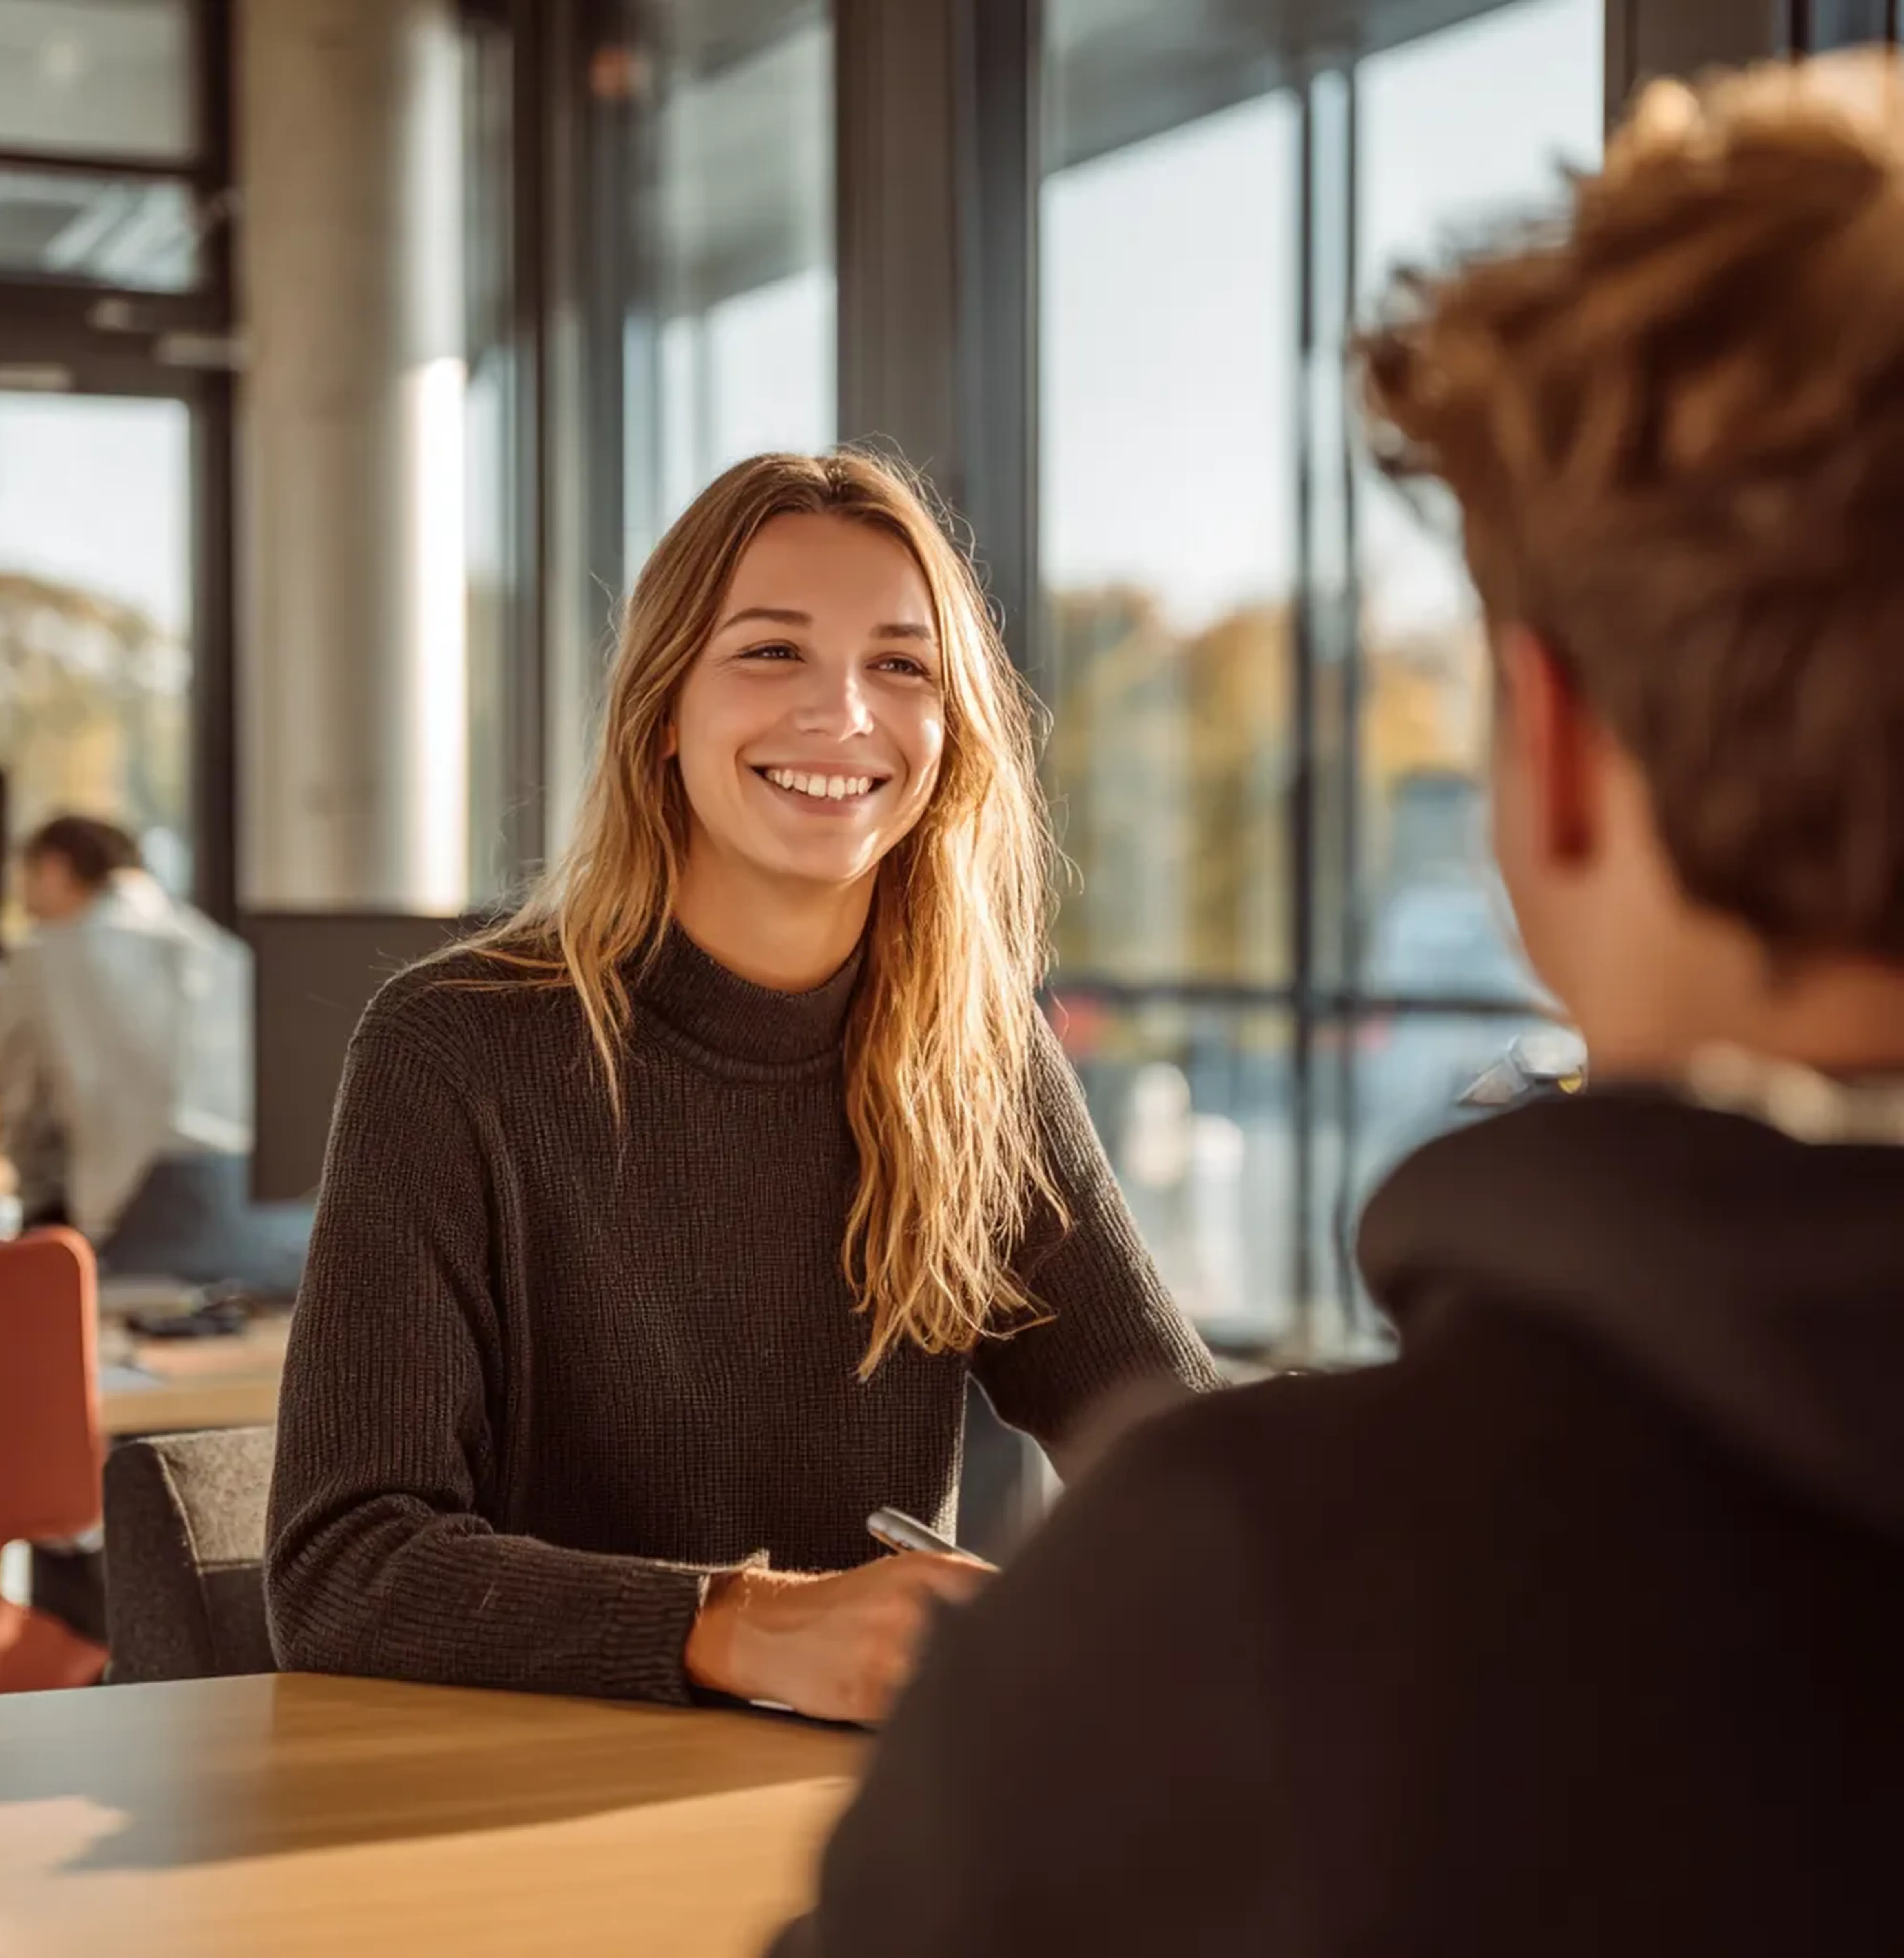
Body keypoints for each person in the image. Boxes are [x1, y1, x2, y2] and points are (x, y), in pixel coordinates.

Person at [772, 51, 1904, 1957]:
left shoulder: (1245, 1613)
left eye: (901, 663)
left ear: (1548, 757)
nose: (844, 716)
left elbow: (1130, 1398)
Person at [266, 451, 1218, 1719]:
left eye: (902, 666)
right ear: (663, 709)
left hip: (854, 1801)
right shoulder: (455, 1048)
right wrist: (746, 1627)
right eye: (772, 652)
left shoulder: (977, 1058)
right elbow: (340, 1571)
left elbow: (1174, 1455)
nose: (844, 712)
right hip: (528, 1791)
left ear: (950, 734)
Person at [0, 814, 311, 1298]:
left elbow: (20, 1111)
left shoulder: (43, 955)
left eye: (25, 881)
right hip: (269, 1225)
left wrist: (29, 1211)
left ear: (54, 869)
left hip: (146, 1224)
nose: (24, 903)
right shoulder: (220, 948)